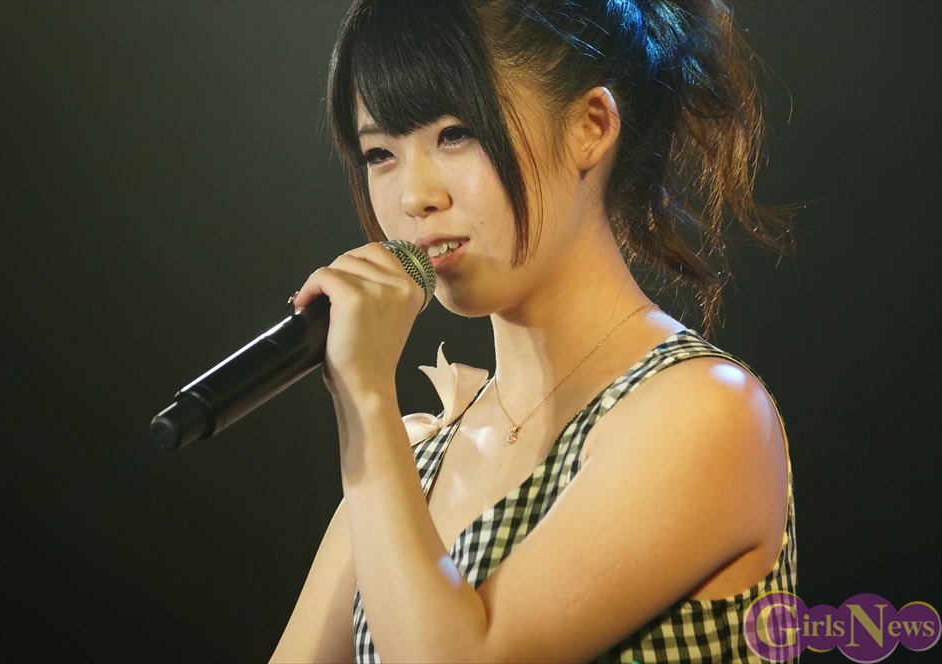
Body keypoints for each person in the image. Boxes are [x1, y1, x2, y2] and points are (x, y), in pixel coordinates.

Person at [273, 0, 796, 661]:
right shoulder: (409, 458)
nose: (413, 196)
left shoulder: (708, 411)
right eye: (380, 153)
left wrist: (367, 396)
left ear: (589, 126)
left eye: (456, 134)